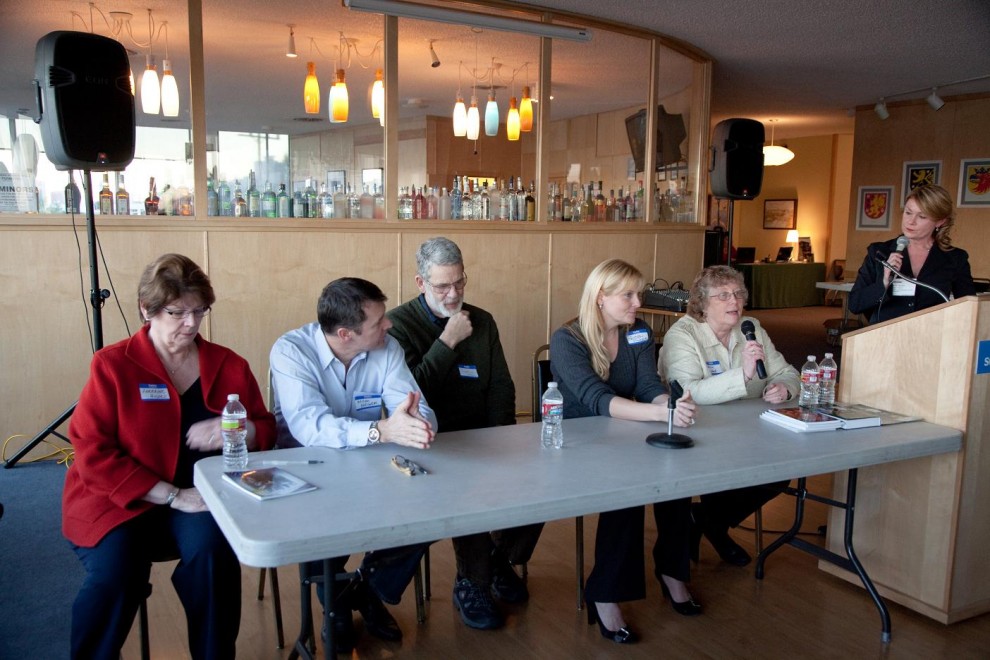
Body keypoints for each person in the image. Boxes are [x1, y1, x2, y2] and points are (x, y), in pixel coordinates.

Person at [63, 253, 276, 660]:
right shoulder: (112, 365)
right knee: (116, 576)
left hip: (200, 497)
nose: (191, 324)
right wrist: (171, 494)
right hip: (118, 499)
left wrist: (242, 429)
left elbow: (266, 428)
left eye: (200, 311)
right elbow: (92, 452)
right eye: (177, 312)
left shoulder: (229, 365)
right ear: (147, 310)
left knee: (214, 558)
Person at [270, 276, 437, 652]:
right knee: (320, 526)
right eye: (378, 322)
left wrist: (416, 423)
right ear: (345, 334)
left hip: (367, 463)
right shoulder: (291, 351)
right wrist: (383, 430)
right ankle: (341, 607)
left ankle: (360, 590)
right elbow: (311, 428)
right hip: (305, 466)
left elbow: (413, 402)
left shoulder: (387, 347)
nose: (389, 325)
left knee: (432, 507)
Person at [387, 237, 543, 631]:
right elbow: (412, 394)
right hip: (430, 443)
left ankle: (496, 561)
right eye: (443, 286)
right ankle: (472, 582)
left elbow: (501, 386)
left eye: (460, 283)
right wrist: (447, 341)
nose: (454, 294)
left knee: (544, 481)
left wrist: (503, 439)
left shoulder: (483, 320)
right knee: (468, 489)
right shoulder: (398, 325)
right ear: (420, 282)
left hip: (483, 435)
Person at [550, 258, 699, 645]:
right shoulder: (568, 339)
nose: (638, 302)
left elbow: (649, 384)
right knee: (629, 492)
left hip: (622, 433)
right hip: (576, 441)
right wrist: (655, 412)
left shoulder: (639, 332)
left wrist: (670, 404)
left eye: (639, 294)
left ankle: (672, 570)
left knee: (676, 479)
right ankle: (606, 593)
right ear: (600, 298)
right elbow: (597, 400)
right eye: (629, 295)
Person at [658, 265, 797, 567]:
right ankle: (714, 527)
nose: (734, 302)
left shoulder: (751, 327)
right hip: (699, 429)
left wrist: (785, 388)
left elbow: (787, 372)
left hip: (748, 430)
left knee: (780, 471)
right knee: (725, 468)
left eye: (738, 294)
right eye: (723, 296)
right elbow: (689, 391)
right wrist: (743, 374)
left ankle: (706, 520)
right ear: (702, 303)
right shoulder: (682, 335)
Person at [848, 184, 975, 324]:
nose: (911, 221)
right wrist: (883, 283)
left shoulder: (955, 258)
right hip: (883, 338)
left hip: (931, 337)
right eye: (908, 212)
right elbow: (855, 304)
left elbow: (969, 309)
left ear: (940, 221)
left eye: (922, 216)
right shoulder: (879, 252)